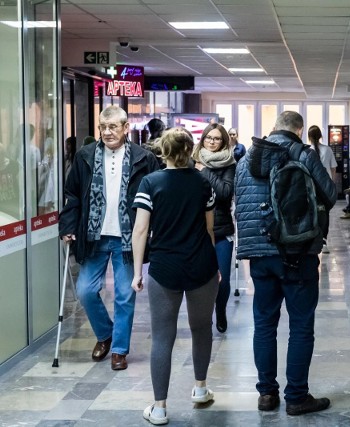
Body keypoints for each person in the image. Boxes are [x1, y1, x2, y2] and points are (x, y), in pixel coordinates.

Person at [234, 111, 337, 415]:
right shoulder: (303, 154)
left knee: (264, 324)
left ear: (274, 128)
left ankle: (266, 395)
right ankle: (297, 396)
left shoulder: (245, 160)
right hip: (298, 251)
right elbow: (330, 195)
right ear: (298, 130)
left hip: (260, 255)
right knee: (301, 326)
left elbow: (242, 205)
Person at [59, 105, 159, 371]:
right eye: (103, 127)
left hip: (129, 237)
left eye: (113, 126)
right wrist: (67, 225)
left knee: (125, 294)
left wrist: (155, 228)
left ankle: (119, 349)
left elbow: (155, 196)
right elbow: (73, 195)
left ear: (126, 128)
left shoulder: (143, 158)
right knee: (85, 290)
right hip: (94, 235)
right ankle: (105, 334)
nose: (107, 132)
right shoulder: (85, 156)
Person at [130, 127, 219, 425]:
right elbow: (209, 230)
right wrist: (216, 265)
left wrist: (137, 271)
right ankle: (200, 389)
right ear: (190, 150)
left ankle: (159, 408)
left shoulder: (150, 183)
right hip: (201, 265)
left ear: (163, 151)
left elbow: (141, 231)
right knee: (201, 328)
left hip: (165, 268)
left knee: (162, 337)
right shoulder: (204, 183)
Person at [193, 122, 236, 333]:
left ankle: (221, 310)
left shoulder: (229, 163)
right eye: (209, 137)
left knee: (223, 279)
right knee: (201, 279)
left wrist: (206, 170)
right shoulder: (192, 161)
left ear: (223, 141)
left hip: (221, 229)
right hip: (197, 230)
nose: (212, 142)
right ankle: (204, 316)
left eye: (217, 138)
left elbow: (224, 193)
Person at [308, 125, 337, 253]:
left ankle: (312, 238)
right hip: (325, 187)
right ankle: (323, 240)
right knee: (325, 213)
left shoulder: (307, 150)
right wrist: (332, 183)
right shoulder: (328, 150)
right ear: (320, 136)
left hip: (311, 186)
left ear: (309, 137)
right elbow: (333, 168)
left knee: (312, 211)